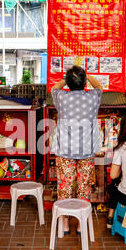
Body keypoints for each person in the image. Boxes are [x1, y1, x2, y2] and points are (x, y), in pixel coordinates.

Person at [51, 65, 102, 234]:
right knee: (84, 187)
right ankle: (81, 224)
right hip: (86, 150)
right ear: (84, 81)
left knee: (65, 187)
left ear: (68, 82)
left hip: (65, 150)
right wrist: (88, 77)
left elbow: (54, 87)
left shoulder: (61, 97)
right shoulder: (93, 97)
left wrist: (66, 81)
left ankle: (64, 224)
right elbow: (99, 87)